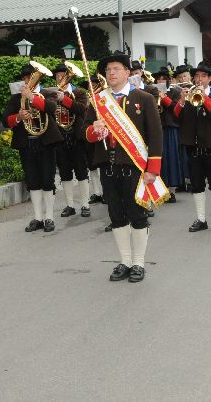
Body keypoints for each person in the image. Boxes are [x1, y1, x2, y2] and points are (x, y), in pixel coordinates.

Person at [84, 53, 163, 283]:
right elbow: (86, 133)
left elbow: (156, 136)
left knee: (137, 215)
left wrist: (152, 169)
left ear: (127, 72)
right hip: (107, 167)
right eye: (108, 70)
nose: (111, 73)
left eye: (116, 69)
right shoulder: (98, 101)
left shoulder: (144, 98)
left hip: (135, 167)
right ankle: (125, 261)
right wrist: (94, 129)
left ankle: (139, 263)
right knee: (116, 216)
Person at [3, 64, 62, 233]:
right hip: (26, 143)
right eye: (25, 77)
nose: (27, 80)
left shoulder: (47, 93)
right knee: (33, 181)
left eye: (30, 77)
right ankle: (38, 217)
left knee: (47, 180)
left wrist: (32, 98)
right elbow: (5, 120)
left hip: (46, 143)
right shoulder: (16, 99)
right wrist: (19, 117)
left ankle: (49, 217)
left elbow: (51, 109)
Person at [175, 63, 211, 232]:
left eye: (203, 76)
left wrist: (204, 99)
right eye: (196, 76)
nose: (199, 79)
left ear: (209, 79)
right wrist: (182, 101)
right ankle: (201, 219)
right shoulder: (188, 97)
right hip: (193, 147)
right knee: (196, 185)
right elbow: (177, 118)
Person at [52, 63, 91, 219]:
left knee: (81, 171)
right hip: (61, 137)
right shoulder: (51, 94)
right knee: (65, 173)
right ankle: (70, 205)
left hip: (77, 137)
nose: (60, 78)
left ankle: (85, 204)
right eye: (58, 76)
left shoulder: (79, 92)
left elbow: (83, 109)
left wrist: (65, 99)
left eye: (63, 75)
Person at [157, 68, 183, 202]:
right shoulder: (153, 91)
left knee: (171, 158)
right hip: (158, 129)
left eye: (163, 78)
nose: (161, 81)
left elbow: (176, 108)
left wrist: (164, 98)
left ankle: (171, 191)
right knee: (159, 159)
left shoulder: (175, 91)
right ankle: (160, 190)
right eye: (159, 79)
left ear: (168, 80)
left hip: (171, 128)